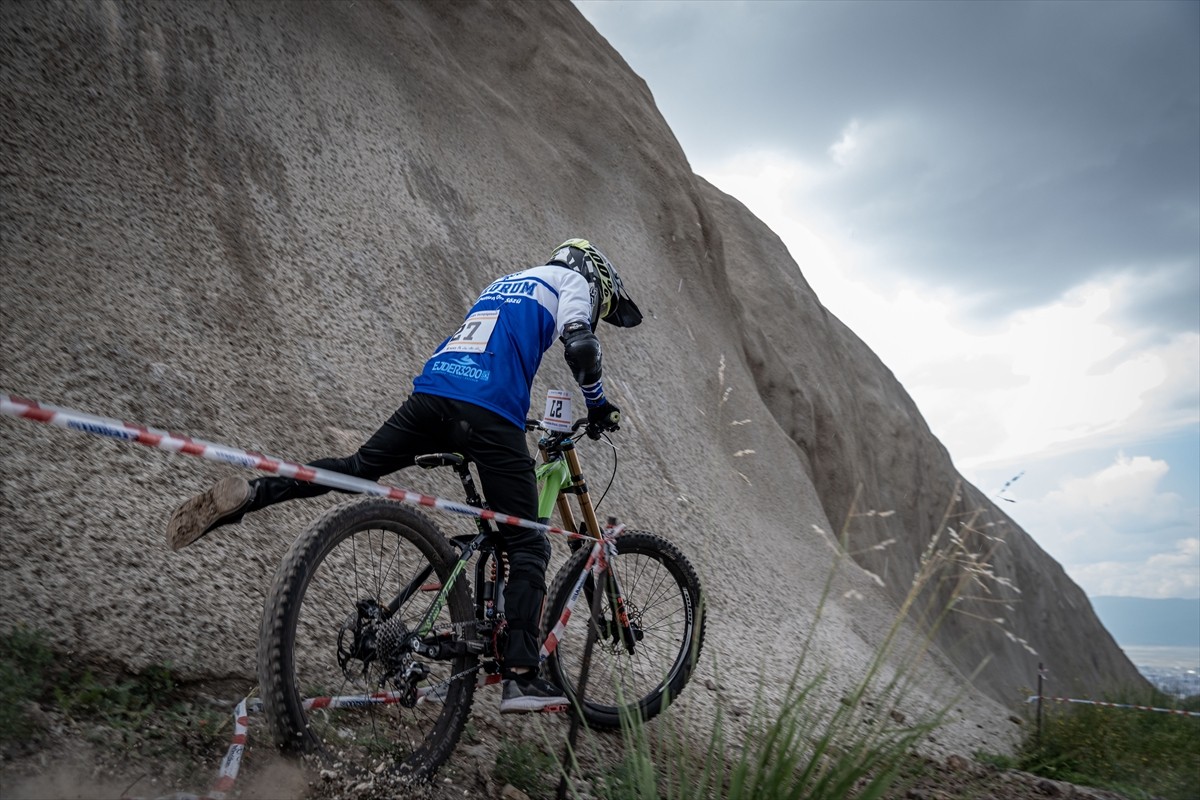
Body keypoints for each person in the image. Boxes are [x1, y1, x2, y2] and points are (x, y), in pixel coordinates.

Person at [166, 238, 642, 713]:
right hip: (489, 411)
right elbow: (580, 344)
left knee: (357, 468)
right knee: (530, 542)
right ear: (595, 273)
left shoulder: (506, 282)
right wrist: (598, 405)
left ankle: (252, 493)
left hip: (433, 394)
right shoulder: (572, 281)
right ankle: (521, 677)